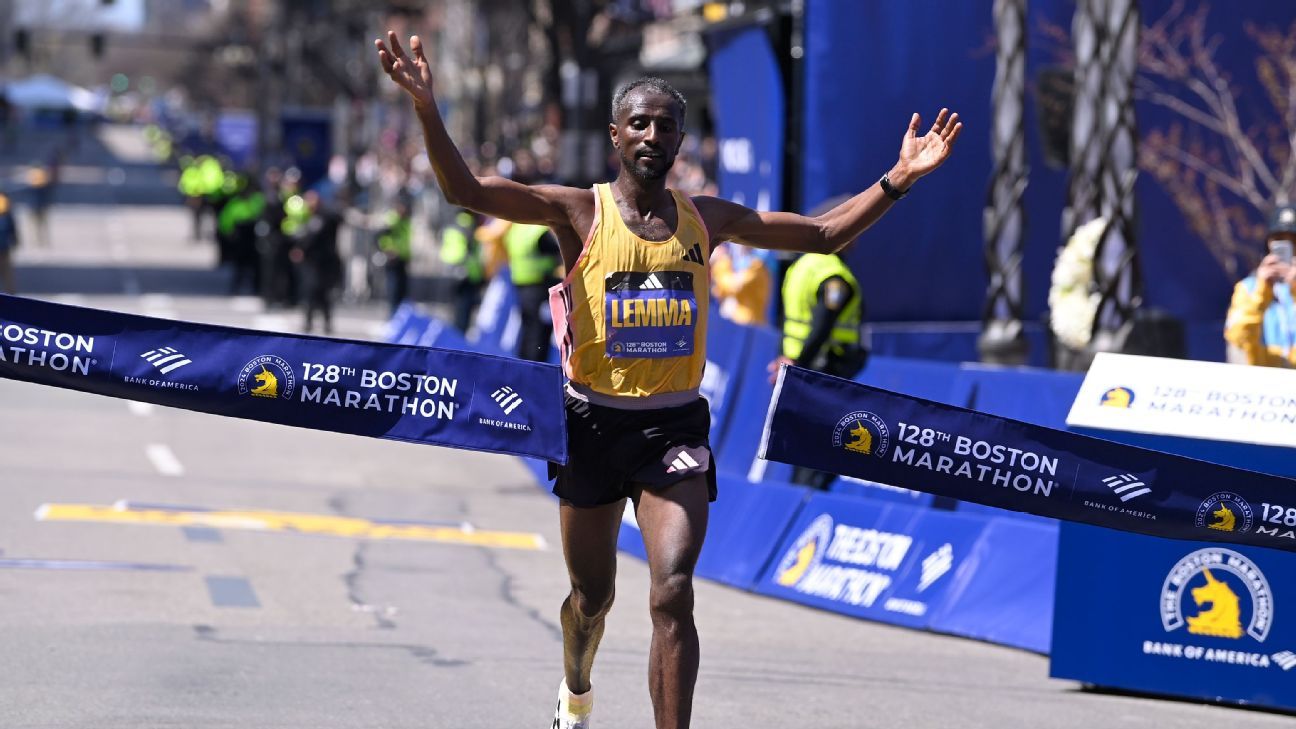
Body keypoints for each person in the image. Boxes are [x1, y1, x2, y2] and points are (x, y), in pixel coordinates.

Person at [376, 31, 961, 729]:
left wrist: (898, 179)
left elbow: (821, 234)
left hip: (673, 427)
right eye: (641, 123)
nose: (654, 134)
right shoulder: (578, 211)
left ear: (681, 139)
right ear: (616, 133)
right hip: (590, 423)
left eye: (667, 125)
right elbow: (464, 190)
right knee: (591, 596)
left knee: (673, 590)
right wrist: (425, 108)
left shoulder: (703, 219)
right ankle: (576, 683)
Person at [772, 249, 869, 490]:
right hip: (824, 367)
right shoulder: (833, 274)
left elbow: (788, 317)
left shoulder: (801, 266)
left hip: (799, 366)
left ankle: (797, 495)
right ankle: (806, 496)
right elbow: (822, 323)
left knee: (802, 442)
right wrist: (798, 361)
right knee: (817, 443)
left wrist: (786, 357)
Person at [1224, 204, 1296, 367]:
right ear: (1269, 244)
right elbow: (1238, 338)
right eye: (1279, 240)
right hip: (1262, 382)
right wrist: (1262, 293)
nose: (1289, 246)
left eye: (1294, 240)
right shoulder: (1248, 288)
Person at [503, 220, 561, 360]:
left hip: (521, 284)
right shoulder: (538, 231)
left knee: (528, 328)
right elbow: (558, 249)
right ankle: (536, 366)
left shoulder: (516, 228)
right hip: (539, 284)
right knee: (539, 331)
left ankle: (524, 364)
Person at [291, 191, 344, 335]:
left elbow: (313, 237)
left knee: (316, 292)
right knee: (315, 293)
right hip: (314, 262)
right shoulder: (312, 217)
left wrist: (301, 249)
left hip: (321, 262)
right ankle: (311, 323)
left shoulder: (323, 216)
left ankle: (320, 323)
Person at [439, 207, 486, 333]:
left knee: (455, 308)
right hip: (466, 272)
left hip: (451, 270)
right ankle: (460, 338)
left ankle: (454, 335)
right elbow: (472, 249)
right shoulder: (469, 223)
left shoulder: (451, 223)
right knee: (464, 310)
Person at [709, 242, 772, 326]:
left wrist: (722, 264)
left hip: (751, 324)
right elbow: (718, 291)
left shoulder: (757, 266)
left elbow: (735, 286)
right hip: (731, 323)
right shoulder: (726, 264)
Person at [378, 197, 414, 316]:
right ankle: (392, 315)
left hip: (402, 258)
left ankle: (398, 315)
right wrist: (387, 249)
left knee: (402, 290)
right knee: (394, 289)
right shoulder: (393, 219)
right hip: (393, 259)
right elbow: (381, 235)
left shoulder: (405, 220)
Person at [0, 192, 19, 294]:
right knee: (7, 273)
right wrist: (15, 241)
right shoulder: (7, 210)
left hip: (4, 246)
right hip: (5, 246)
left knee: (7, 272)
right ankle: (11, 294)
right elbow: (12, 228)